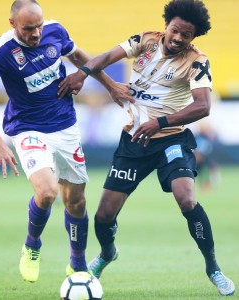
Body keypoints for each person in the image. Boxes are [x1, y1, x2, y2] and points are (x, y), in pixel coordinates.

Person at [57, 0, 235, 296]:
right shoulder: (145, 40)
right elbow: (106, 57)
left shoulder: (197, 61)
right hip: (134, 141)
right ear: (167, 25)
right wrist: (83, 73)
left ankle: (213, 267)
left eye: (186, 35)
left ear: (194, 37)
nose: (178, 38)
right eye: (175, 30)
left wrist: (160, 122)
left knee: (187, 199)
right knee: (104, 216)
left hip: (171, 139)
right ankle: (107, 253)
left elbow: (203, 107)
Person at [0, 0, 130, 283]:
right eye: (28, 29)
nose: (36, 34)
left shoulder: (55, 31)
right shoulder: (1, 52)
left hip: (65, 126)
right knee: (47, 192)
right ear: (13, 24)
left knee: (76, 201)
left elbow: (81, 57)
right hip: (27, 128)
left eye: (38, 26)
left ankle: (77, 263)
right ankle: (32, 245)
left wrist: (108, 85)